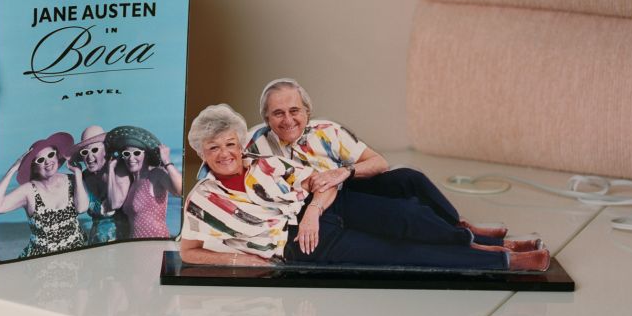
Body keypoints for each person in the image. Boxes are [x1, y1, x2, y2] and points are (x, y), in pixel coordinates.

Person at [181, 104, 549, 270]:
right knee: (402, 253)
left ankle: (478, 240)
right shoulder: (202, 200)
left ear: (240, 142)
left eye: (230, 143)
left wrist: (312, 211)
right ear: (202, 152)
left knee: (409, 215)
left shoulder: (265, 164)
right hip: (302, 246)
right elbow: (189, 252)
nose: (225, 154)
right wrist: (238, 259)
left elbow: (320, 183)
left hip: (327, 208)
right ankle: (504, 259)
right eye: (214, 148)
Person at [246, 78, 531, 248]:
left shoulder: (326, 131)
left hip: (346, 185)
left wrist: (343, 171)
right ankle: (479, 244)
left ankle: (459, 225)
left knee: (410, 178)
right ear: (267, 118)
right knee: (406, 212)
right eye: (278, 114)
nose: (288, 120)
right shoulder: (257, 146)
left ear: (307, 112)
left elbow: (379, 162)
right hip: (322, 207)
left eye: (294, 111)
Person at [0, 131, 88, 259]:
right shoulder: (29, 190)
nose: (47, 162)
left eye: (51, 155)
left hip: (76, 254)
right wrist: (13, 169)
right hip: (42, 260)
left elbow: (82, 208)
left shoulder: (72, 180)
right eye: (40, 160)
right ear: (34, 167)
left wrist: (78, 173)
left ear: (57, 156)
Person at [105, 125, 183, 239]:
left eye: (136, 153)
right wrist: (111, 169)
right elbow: (113, 204)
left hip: (155, 242)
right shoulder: (132, 183)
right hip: (135, 245)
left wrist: (167, 161)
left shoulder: (156, 174)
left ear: (146, 155)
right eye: (126, 154)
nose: (131, 158)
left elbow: (180, 190)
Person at [69, 125, 129, 243]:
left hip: (122, 243)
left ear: (106, 150)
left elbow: (115, 203)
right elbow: (81, 208)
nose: (89, 157)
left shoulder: (120, 170)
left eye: (94, 150)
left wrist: (111, 170)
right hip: (96, 242)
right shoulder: (85, 177)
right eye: (85, 152)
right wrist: (77, 173)